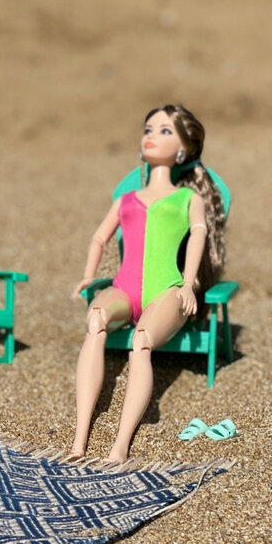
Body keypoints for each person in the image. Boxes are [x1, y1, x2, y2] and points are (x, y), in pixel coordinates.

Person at [69, 105, 226, 463]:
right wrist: (89, 275)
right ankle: (79, 439)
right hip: (124, 289)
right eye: (148, 130)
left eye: (165, 131)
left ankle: (120, 445)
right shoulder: (125, 200)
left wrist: (189, 284)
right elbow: (99, 238)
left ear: (183, 148)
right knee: (95, 319)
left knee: (141, 342)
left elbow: (200, 236)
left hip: (167, 290)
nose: (152, 136)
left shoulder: (188, 199)